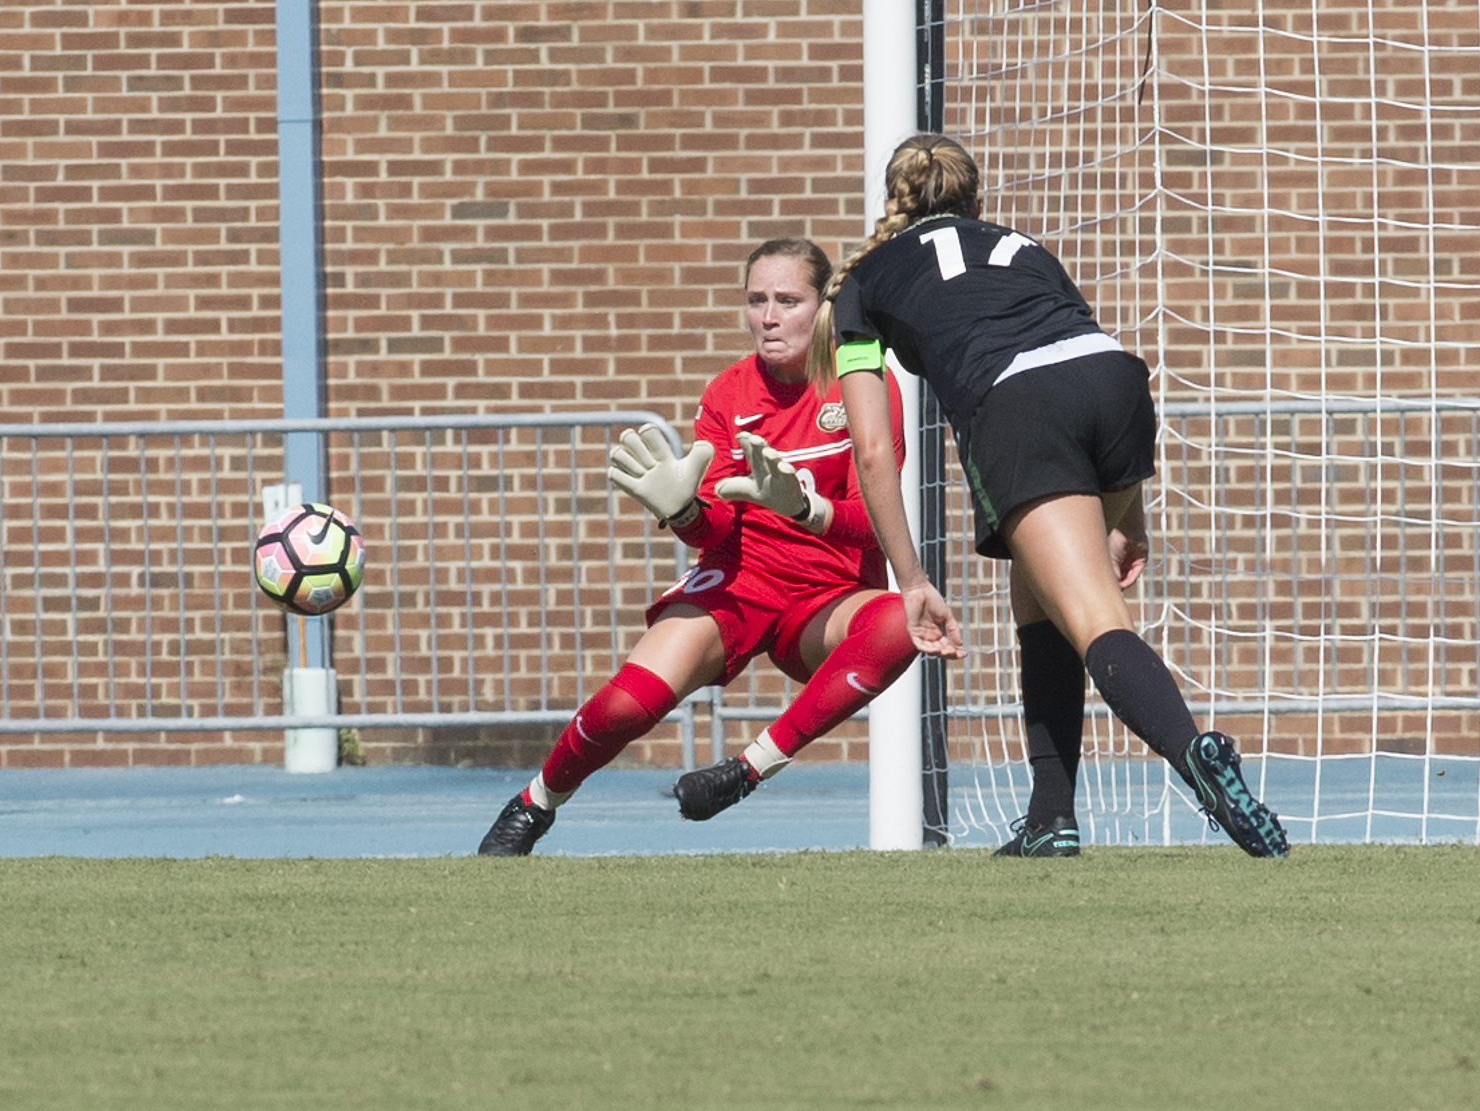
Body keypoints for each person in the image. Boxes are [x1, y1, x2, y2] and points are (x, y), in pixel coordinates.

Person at [810, 133, 1289, 858]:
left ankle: (1197, 756)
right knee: (1036, 592)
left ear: (891, 201)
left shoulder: (863, 280)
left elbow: (873, 451)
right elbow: (1082, 351)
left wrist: (910, 580)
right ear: (977, 201)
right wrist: (1131, 515)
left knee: (1095, 618)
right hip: (1117, 385)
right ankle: (1050, 815)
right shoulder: (1022, 246)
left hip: (1021, 405)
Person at [478, 238, 918, 856]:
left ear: (823, 307)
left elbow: (875, 526)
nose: (769, 317)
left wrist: (806, 509)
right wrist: (683, 510)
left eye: (788, 300)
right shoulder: (729, 393)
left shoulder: (865, 385)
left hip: (827, 599)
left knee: (901, 623)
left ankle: (748, 769)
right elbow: (714, 529)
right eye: (756, 301)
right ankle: (535, 803)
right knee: (626, 708)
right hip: (741, 581)